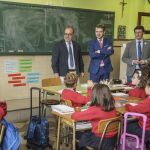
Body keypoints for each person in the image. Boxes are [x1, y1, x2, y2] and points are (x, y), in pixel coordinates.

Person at [71, 84, 117, 150]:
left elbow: (74, 116)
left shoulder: (94, 110)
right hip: (112, 141)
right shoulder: (113, 108)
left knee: (77, 134)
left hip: (99, 141)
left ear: (95, 96)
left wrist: (90, 107)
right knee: (88, 132)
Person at [125, 77, 150, 145]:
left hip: (145, 130)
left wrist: (126, 105)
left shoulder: (147, 102)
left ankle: (124, 145)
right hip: (147, 127)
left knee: (124, 125)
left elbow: (133, 109)